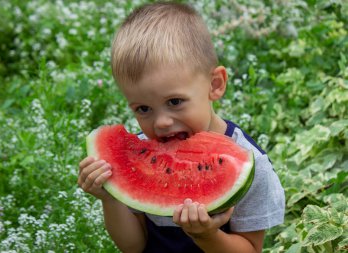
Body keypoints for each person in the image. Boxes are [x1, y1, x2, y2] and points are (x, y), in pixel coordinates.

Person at [78, 2, 285, 253]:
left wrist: (207, 236)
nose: (161, 122)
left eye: (174, 102)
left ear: (215, 85)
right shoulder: (138, 158)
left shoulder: (250, 165)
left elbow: (252, 249)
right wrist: (110, 198)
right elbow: (134, 246)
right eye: (143, 109)